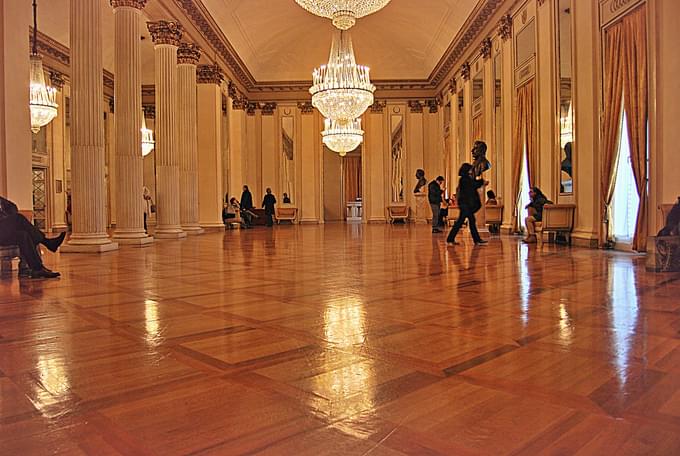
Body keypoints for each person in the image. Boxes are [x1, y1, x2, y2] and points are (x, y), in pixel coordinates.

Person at [0, 196, 65, 278]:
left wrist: (2, 203)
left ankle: (37, 269)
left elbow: (13, 207)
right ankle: (47, 242)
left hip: (4, 233)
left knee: (23, 235)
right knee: (18, 218)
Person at [446, 163, 487, 245]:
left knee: (464, 222)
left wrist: (480, 182)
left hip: (465, 204)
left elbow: (472, 184)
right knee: (467, 221)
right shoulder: (465, 179)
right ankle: (476, 240)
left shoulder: (465, 179)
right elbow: (473, 186)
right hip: (466, 205)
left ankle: (451, 239)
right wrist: (481, 182)